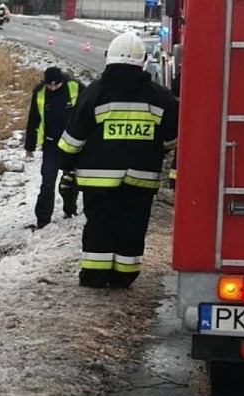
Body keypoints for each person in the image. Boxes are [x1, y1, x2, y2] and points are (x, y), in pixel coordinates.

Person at [58, 31, 177, 289]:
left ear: (108, 57)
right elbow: (172, 140)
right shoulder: (160, 96)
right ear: (142, 60)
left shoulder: (95, 93)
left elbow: (73, 138)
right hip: (141, 180)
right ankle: (124, 276)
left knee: (100, 224)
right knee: (133, 226)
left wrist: (66, 165)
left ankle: (94, 276)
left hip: (98, 180)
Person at [24, 66, 86, 229]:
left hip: (72, 142)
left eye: (55, 85)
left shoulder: (75, 87)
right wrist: (29, 146)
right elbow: (33, 120)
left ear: (61, 82)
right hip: (51, 144)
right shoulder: (40, 93)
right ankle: (43, 220)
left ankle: (70, 209)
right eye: (49, 85)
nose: (52, 88)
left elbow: (88, 110)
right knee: (47, 182)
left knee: (71, 179)